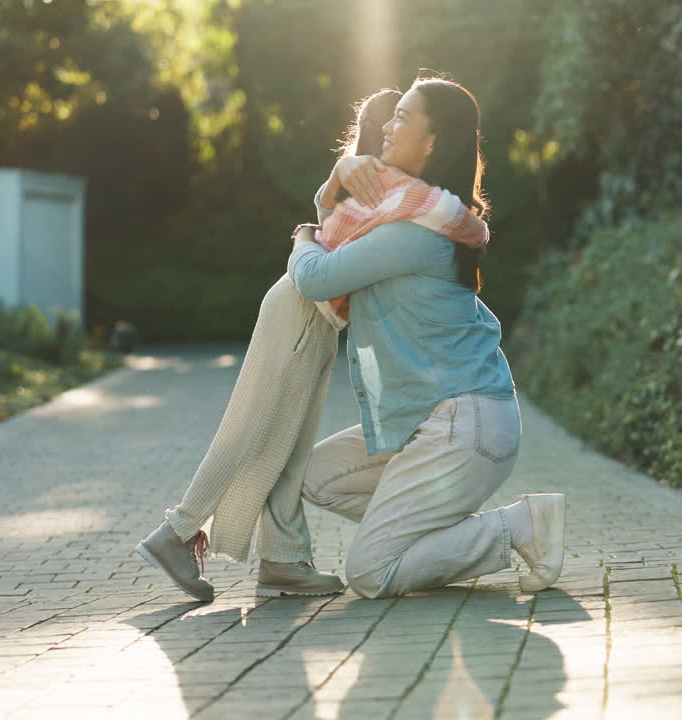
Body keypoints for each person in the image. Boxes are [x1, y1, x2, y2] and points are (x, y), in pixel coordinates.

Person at [135, 88, 500, 600]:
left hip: (317, 316)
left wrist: (333, 187)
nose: (390, 129)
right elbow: (332, 244)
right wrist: (305, 234)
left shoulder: (392, 192)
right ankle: (177, 532)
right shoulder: (393, 187)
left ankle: (283, 558)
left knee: (288, 441)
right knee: (255, 426)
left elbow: (342, 218)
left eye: (401, 119)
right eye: (390, 120)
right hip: (302, 307)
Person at [289, 76, 566, 599]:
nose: (387, 126)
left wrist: (303, 234)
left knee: (371, 573)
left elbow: (317, 275)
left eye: (402, 117)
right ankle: (425, 534)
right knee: (316, 478)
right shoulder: (407, 212)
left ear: (433, 142)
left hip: (465, 424)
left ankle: (520, 527)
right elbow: (340, 231)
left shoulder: (415, 231)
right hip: (430, 420)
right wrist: (333, 185)